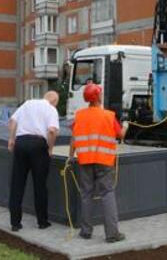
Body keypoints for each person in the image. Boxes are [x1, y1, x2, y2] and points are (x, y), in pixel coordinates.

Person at [69, 83, 128, 243]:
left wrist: (70, 157)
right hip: (104, 162)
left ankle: (86, 231)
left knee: (86, 194)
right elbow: (120, 134)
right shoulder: (108, 116)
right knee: (107, 194)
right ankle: (112, 234)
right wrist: (126, 125)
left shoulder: (79, 115)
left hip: (85, 161)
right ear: (98, 97)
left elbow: (74, 139)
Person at [8, 91, 60, 231]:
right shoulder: (51, 109)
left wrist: (12, 140)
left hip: (21, 143)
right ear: (54, 101)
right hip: (38, 145)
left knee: (17, 184)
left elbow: (12, 121)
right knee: (40, 185)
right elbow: (52, 131)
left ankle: (15, 223)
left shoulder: (27, 103)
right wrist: (50, 148)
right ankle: (42, 222)